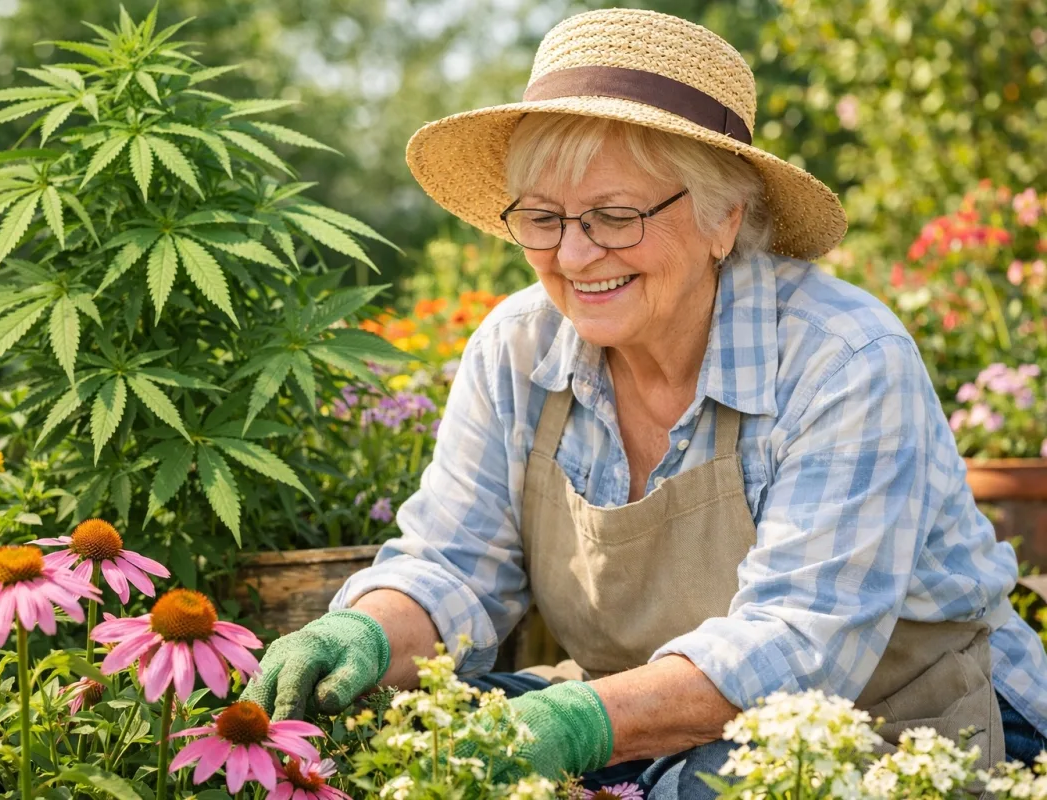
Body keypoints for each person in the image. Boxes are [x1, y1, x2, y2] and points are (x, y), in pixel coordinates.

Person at [244, 8, 1047, 796]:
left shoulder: (843, 359)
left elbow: (798, 646)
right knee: (379, 736)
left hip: (894, 726)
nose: (573, 255)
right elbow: (455, 565)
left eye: (614, 216)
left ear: (723, 219)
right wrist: (364, 631)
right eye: (542, 218)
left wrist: (571, 726)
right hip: (639, 718)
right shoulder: (517, 347)